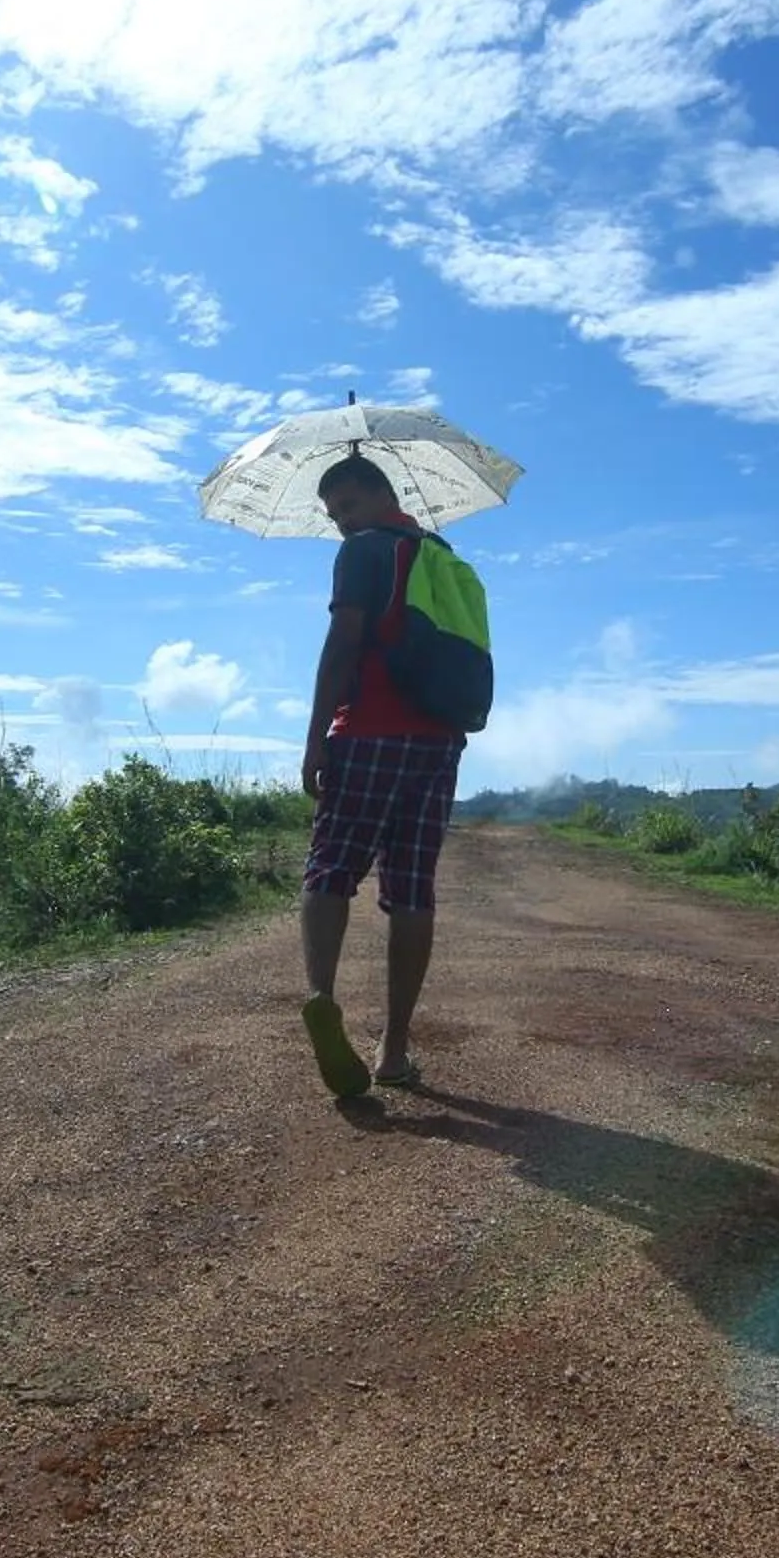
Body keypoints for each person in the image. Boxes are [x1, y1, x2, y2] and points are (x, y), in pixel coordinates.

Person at [297, 452, 464, 1100]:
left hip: (368, 730)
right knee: (413, 890)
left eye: (347, 506)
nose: (341, 522)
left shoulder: (366, 552)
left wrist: (315, 738)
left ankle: (321, 996)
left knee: (330, 868)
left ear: (378, 494)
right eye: (334, 514)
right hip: (439, 742)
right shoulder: (441, 554)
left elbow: (343, 642)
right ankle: (394, 1051)